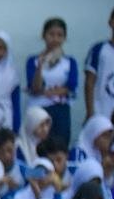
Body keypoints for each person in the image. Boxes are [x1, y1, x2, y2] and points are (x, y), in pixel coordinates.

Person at [26, 18, 79, 146]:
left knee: (60, 145)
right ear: (43, 36)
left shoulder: (69, 62)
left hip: (61, 110)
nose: (55, 39)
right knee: (37, 145)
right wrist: (40, 67)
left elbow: (71, 87)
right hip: (38, 110)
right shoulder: (33, 61)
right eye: (51, 34)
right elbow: (35, 88)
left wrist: (44, 92)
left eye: (59, 35)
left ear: (64, 38)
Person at [85, 4, 114, 122]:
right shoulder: (98, 49)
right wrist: (90, 112)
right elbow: (89, 82)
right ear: (110, 22)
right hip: (101, 112)